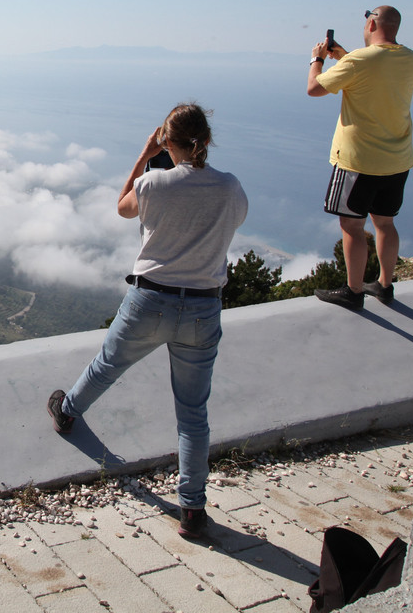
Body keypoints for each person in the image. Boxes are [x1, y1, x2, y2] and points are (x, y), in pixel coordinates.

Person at [47, 103, 248, 538]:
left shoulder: (154, 182)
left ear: (166, 142)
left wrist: (142, 156)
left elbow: (122, 208)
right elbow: (231, 223)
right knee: (192, 414)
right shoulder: (230, 188)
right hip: (202, 307)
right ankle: (192, 509)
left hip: (149, 300)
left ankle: (66, 411)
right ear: (207, 140)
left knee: (107, 365)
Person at [308, 6, 413, 310]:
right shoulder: (410, 58)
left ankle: (354, 291)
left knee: (352, 227)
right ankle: (384, 285)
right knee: (385, 223)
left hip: (358, 162)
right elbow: (373, 71)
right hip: (396, 159)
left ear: (371, 23)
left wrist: (317, 59)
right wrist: (344, 54)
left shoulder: (360, 60)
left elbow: (314, 88)